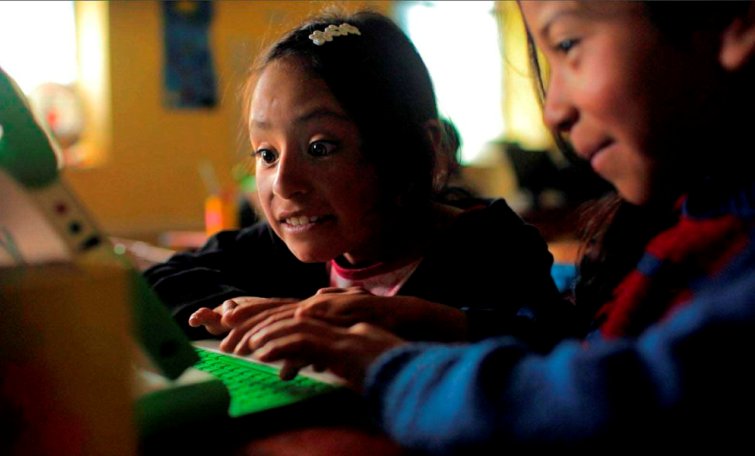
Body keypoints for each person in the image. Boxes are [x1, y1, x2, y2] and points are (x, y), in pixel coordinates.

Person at [246, 1, 755, 452]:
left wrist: (389, 366)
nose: (553, 110)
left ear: (729, 18)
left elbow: (614, 399)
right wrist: (440, 324)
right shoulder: (683, 227)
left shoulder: (490, 247)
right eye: (265, 154)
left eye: (568, 43)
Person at [143, 9, 570, 353]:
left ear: (416, 149)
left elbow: (552, 344)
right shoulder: (284, 246)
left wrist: (418, 319)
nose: (285, 184)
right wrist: (248, 312)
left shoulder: (493, 246)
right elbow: (162, 280)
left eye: (321, 147)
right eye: (266, 154)